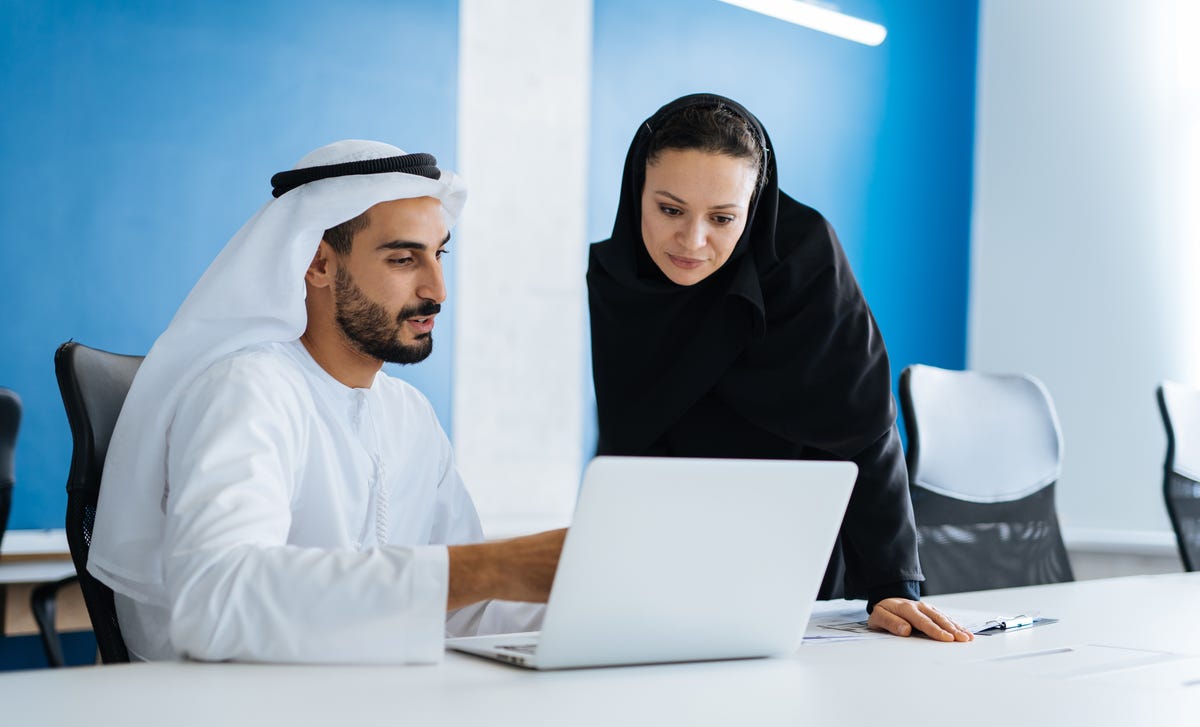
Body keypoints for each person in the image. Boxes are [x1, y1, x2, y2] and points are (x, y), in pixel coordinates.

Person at [90, 140, 564, 663]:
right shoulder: (248, 389)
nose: (437, 290)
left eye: (439, 254)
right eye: (404, 258)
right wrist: (496, 566)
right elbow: (216, 600)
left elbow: (463, 612)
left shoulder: (409, 414)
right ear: (318, 264)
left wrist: (585, 590)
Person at [587, 93, 971, 642]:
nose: (692, 241)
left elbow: (865, 427)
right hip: (668, 569)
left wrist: (892, 585)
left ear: (755, 206)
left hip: (801, 574)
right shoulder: (618, 277)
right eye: (670, 209)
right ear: (636, 193)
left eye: (723, 218)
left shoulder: (804, 259)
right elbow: (628, 441)